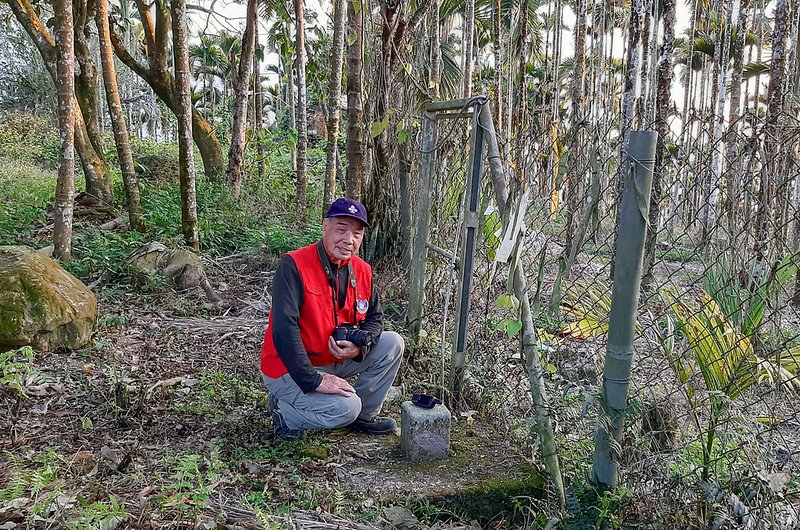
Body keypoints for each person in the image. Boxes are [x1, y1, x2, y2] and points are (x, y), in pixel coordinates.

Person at [260, 197, 404, 441]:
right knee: (345, 409)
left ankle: (364, 416)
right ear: (325, 226)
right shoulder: (293, 265)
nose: (349, 240)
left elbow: (375, 319)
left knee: (393, 343)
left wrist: (359, 346)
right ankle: (284, 412)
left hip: (335, 360)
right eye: (341, 229)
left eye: (357, 233)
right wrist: (314, 380)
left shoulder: (362, 270)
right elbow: (284, 331)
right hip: (289, 367)